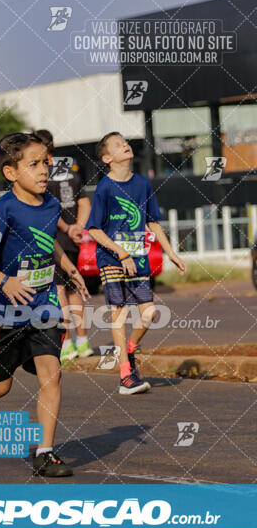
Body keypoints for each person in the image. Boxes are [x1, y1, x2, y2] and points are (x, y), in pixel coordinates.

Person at [0, 132, 90, 477]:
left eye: (45, 162)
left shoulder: (51, 204)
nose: (43, 170)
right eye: (33, 164)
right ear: (10, 172)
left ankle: (45, 453)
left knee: (53, 375)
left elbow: (49, 242)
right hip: (3, 309)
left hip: (44, 305)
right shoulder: (1, 210)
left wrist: (69, 268)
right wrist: (6, 281)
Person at [85, 132, 186, 395]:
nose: (125, 146)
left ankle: (129, 349)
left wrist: (171, 253)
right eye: (118, 145)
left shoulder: (142, 184)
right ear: (107, 158)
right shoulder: (105, 188)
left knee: (149, 313)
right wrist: (120, 252)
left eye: (125, 142)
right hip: (111, 258)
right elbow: (94, 230)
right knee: (118, 314)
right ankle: (125, 375)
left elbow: (153, 221)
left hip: (137, 258)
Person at [35, 129, 93, 364]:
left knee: (58, 291)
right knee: (74, 288)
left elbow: (48, 209)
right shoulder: (69, 171)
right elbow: (84, 202)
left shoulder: (40, 175)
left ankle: (66, 343)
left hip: (54, 238)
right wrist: (78, 227)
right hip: (72, 241)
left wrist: (68, 229)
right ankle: (83, 341)